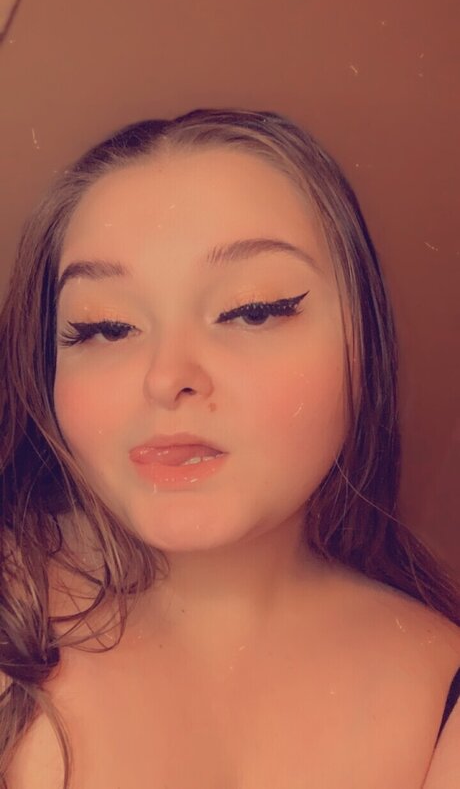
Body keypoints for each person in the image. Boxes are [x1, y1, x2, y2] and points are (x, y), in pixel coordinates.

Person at [0, 107, 459, 789]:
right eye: (105, 326)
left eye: (253, 310)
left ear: (365, 343)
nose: (166, 377)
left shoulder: (441, 687)